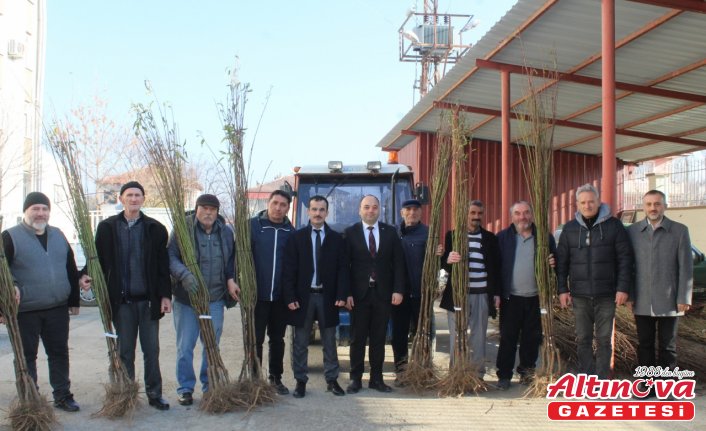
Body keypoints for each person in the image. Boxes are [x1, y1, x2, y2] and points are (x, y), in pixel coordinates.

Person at [2, 192, 90, 412]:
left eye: (44, 209)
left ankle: (62, 396)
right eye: (35, 209)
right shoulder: (10, 237)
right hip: (25, 310)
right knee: (26, 357)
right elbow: (2, 272)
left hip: (57, 308)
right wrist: (9, 291)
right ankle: (30, 400)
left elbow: (69, 267)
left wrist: (74, 298)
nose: (40, 213)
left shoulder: (58, 235)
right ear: (26, 211)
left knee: (59, 352)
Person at [94, 181, 172, 410]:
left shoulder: (155, 229)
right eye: (129, 195)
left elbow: (162, 267)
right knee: (125, 350)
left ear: (143, 199)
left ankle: (154, 394)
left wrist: (165, 296)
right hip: (122, 302)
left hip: (148, 302)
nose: (134, 199)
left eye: (138, 195)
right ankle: (125, 395)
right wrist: (86, 277)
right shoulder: (107, 228)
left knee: (151, 350)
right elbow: (97, 260)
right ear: (121, 199)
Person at [168, 194, 240, 406]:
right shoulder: (183, 229)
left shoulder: (225, 232)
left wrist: (230, 280)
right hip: (187, 299)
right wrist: (184, 275)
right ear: (196, 208)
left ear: (217, 212)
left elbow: (229, 261)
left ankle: (209, 386)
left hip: (215, 298)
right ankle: (185, 389)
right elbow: (170, 256)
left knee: (211, 345)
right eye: (204, 208)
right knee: (185, 346)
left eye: (212, 209)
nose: (208, 212)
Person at [556, 184, 633, 379]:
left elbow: (625, 259)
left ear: (598, 202)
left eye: (591, 201)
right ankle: (587, 377)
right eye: (583, 202)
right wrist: (563, 290)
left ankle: (602, 378)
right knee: (583, 338)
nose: (587, 205)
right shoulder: (570, 228)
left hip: (606, 294)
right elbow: (562, 261)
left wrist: (623, 288)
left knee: (604, 340)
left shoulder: (614, 226)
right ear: (577, 204)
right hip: (579, 295)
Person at [282, 195, 349, 398]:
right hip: (303, 297)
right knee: (301, 342)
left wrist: (341, 294)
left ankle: (332, 380)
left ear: (326, 213)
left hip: (327, 297)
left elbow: (342, 269)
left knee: (329, 341)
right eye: (314, 209)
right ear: (308, 212)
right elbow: (289, 270)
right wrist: (290, 296)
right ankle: (300, 381)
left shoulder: (337, 239)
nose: (318, 213)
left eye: (321, 210)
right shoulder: (297, 238)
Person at [345, 195, 406, 394]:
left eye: (374, 207)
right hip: (359, 295)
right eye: (366, 207)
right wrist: (346, 293)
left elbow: (398, 263)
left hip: (383, 294)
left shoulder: (390, 232)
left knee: (379, 338)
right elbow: (344, 266)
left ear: (379, 210)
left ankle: (376, 379)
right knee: (357, 339)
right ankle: (355, 379)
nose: (370, 211)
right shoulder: (350, 233)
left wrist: (398, 290)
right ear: (359, 210)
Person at [627, 190, 692, 376]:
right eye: (649, 204)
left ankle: (667, 385)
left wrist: (684, 297)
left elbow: (686, 268)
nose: (653, 208)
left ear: (665, 205)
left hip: (670, 299)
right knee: (645, 345)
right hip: (642, 299)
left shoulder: (680, 231)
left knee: (668, 346)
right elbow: (628, 266)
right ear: (643, 207)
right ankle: (647, 384)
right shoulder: (633, 232)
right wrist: (630, 295)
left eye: (657, 204)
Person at [495, 201, 556, 390]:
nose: (523, 217)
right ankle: (504, 375)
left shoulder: (544, 237)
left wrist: (553, 264)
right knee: (508, 337)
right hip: (510, 297)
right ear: (512, 216)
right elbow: (496, 268)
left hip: (536, 297)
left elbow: (555, 264)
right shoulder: (503, 238)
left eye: (526, 213)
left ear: (532, 214)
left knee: (532, 338)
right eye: (518, 213)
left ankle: (526, 372)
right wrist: (496, 293)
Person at [440, 200, 500, 378]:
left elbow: (496, 268)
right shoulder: (452, 236)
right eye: (472, 213)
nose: (476, 217)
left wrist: (495, 293)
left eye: (479, 214)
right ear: (465, 215)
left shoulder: (490, 238)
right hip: (458, 295)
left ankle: (477, 375)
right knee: (456, 336)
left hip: (481, 294)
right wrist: (448, 259)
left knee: (479, 336)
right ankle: (456, 374)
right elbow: (444, 266)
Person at [251, 190, 294, 395]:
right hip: (256, 296)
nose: (278, 208)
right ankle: (254, 379)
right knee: (255, 339)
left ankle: (276, 379)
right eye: (275, 203)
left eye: (283, 204)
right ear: (268, 203)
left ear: (288, 208)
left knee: (277, 340)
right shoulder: (253, 226)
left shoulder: (291, 232)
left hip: (279, 298)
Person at [391, 199, 428, 375]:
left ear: (420, 213)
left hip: (419, 293)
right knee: (399, 334)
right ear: (401, 212)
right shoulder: (392, 233)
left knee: (422, 333)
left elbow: (437, 261)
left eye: (415, 210)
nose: (412, 213)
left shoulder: (428, 233)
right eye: (408, 209)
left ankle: (421, 369)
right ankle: (401, 370)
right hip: (398, 293)